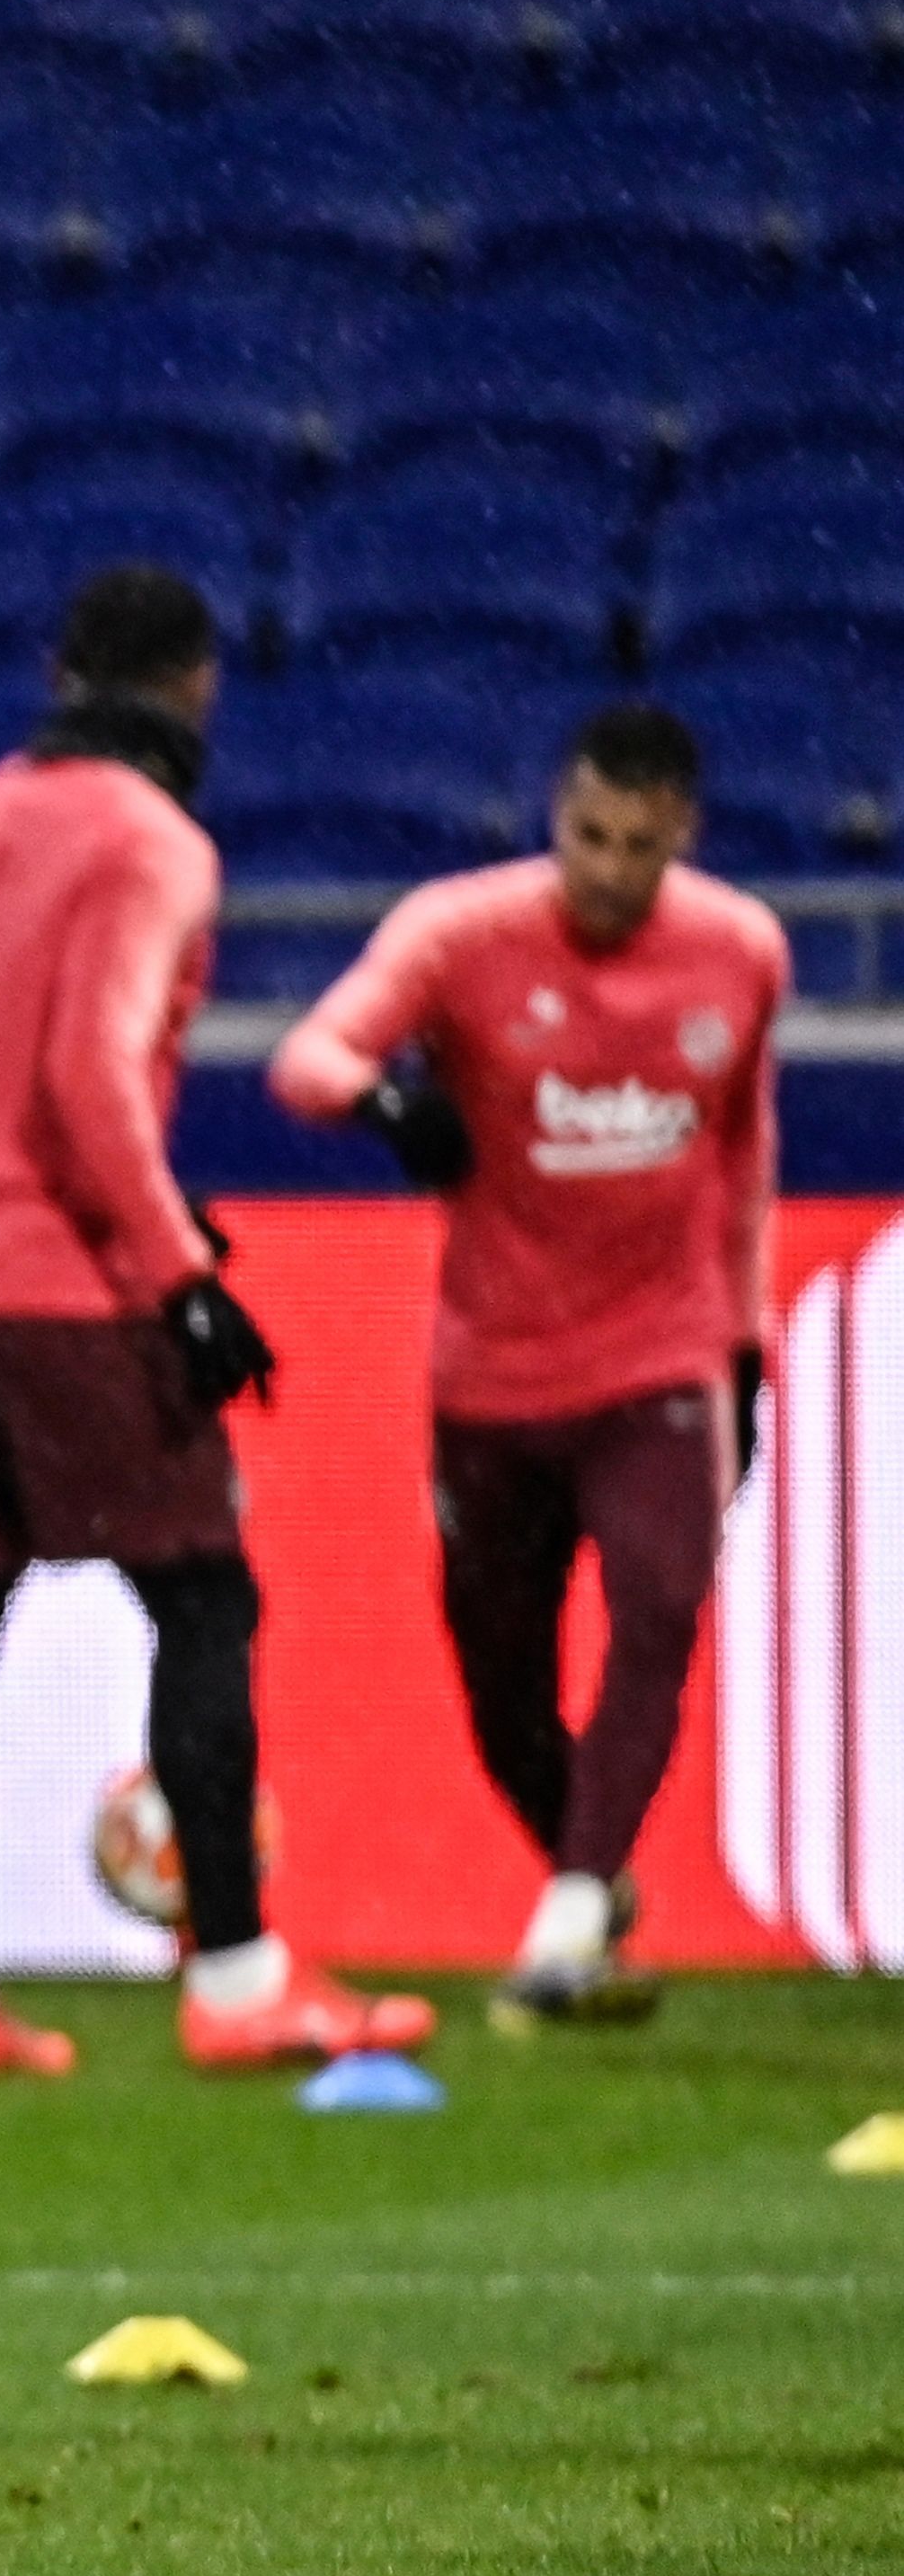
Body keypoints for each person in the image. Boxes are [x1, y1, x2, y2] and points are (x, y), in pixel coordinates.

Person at [0, 565, 430, 2079]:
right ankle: (239, 1982)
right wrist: (182, 1278)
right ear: (194, 689)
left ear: (59, 673)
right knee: (200, 1598)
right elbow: (90, 1085)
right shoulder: (155, 843)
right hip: (63, 1280)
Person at [269, 700, 780, 2032]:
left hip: (660, 1359)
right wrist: (384, 1099)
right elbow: (308, 1056)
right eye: (585, 836)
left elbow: (739, 1167)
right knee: (497, 1673)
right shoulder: (460, 933)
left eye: (636, 845)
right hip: (491, 1375)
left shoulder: (739, 955)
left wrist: (743, 1337)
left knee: (662, 1604)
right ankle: (584, 1885)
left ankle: (565, 1911)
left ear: (683, 834)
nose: (607, 868)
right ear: (555, 816)